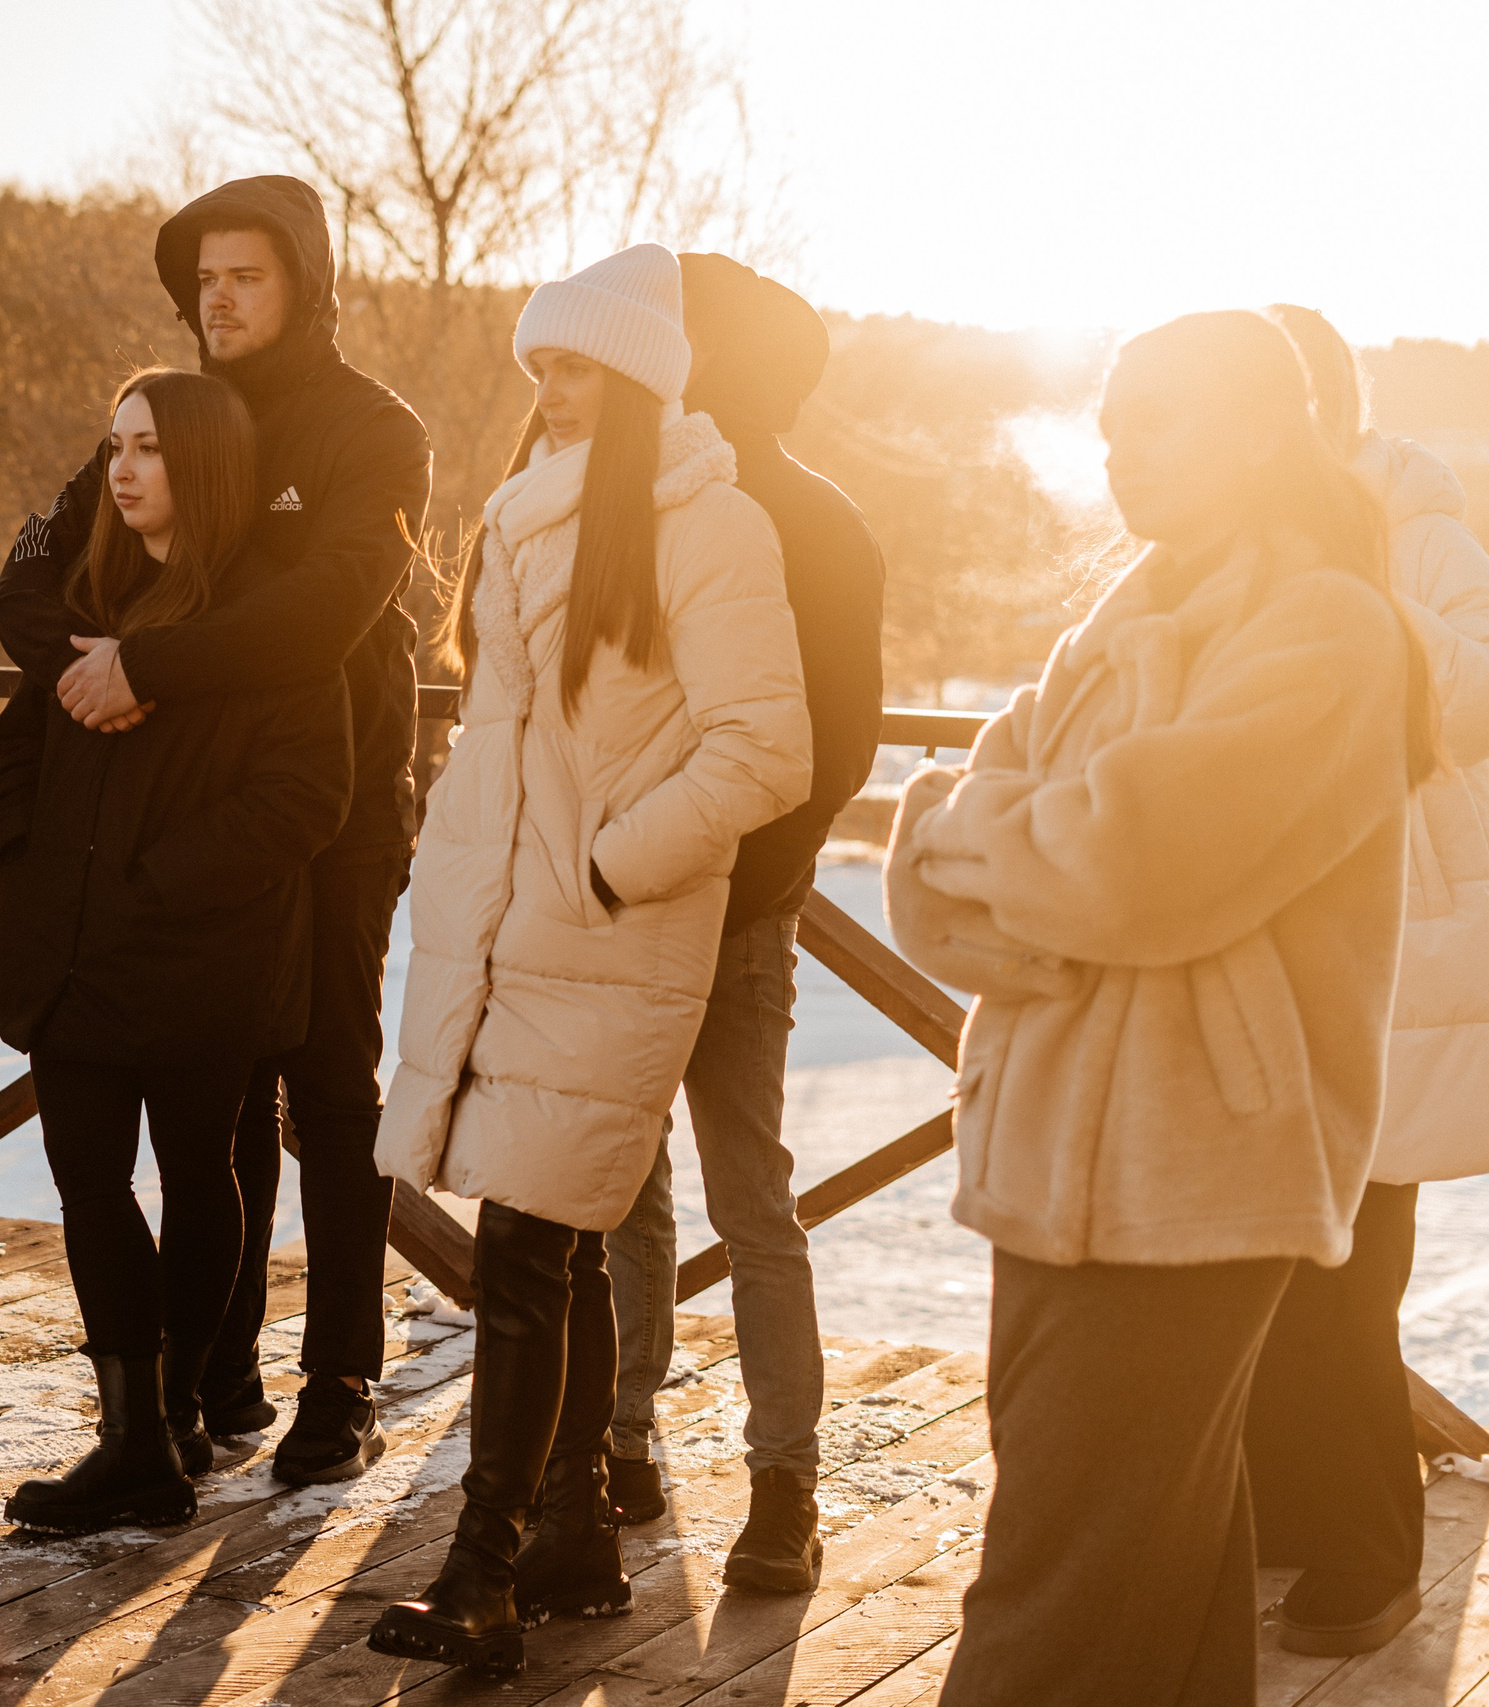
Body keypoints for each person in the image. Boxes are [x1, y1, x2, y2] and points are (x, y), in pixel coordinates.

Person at [884, 309, 1430, 1705]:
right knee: (1163, 1580)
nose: (1122, 452)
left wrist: (999, 844)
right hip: (1048, 1151)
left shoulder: (1334, 628)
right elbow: (928, 871)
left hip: (1197, 1173)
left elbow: (1132, 860)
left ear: (1260, 428)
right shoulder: (1114, 624)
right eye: (1110, 424)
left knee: (1050, 1592)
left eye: (1159, 420)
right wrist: (1005, 847)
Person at [366, 245, 813, 1676]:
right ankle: (569, 1541)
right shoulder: (519, 518)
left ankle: (485, 1571)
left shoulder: (711, 523)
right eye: (541, 367)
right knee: (538, 1242)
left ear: (640, 382)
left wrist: (614, 860)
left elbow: (769, 747)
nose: (552, 392)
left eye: (579, 369)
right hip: (510, 931)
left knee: (524, 1246)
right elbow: (503, 739)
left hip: (611, 929)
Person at [0, 176, 431, 1486]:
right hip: (173, 800)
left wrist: (152, 666)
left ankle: (342, 1377)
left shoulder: (374, 431)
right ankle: (203, 1377)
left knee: (330, 1089)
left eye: (249, 272)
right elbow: (27, 585)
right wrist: (93, 673)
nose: (221, 296)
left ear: (305, 277)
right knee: (211, 1096)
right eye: (205, 277)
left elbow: (328, 612)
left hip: (332, 809)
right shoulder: (173, 420)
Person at [0, 367, 353, 1534]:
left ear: (202, 460)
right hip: (76, 951)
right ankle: (135, 1437)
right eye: (113, 448)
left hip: (202, 953)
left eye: (147, 446)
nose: (124, 468)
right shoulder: (87, 593)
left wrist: (163, 881)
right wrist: (33, 862)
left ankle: (182, 1407)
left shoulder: (269, 612)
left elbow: (308, 793)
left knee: (203, 1180)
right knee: (90, 1185)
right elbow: (20, 741)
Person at [592, 255, 885, 1590]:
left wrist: (742, 875)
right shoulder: (640, 495)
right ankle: (627, 1441)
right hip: (626, 894)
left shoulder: (810, 521)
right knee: (632, 1188)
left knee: (737, 1194)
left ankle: (781, 1481)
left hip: (736, 907)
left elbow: (836, 741)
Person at [1240, 304, 1489, 1658]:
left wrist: (1367, 622)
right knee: (1275, 1246)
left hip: (1394, 928)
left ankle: (1371, 1545)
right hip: (1269, 927)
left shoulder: (1413, 512)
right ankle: (1292, 1503)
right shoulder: (1233, 532)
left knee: (1351, 1258)